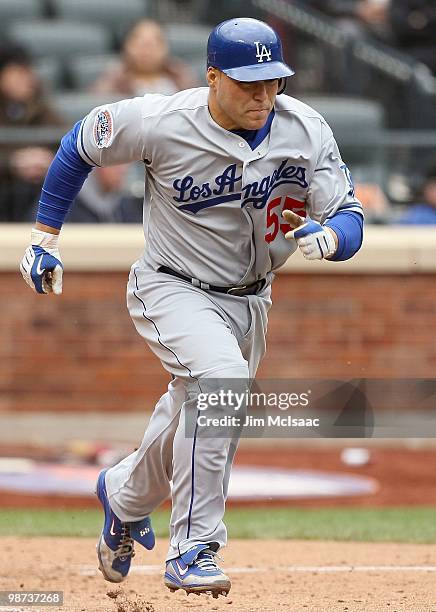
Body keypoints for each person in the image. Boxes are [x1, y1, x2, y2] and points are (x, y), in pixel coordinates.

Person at [19, 18, 364, 598]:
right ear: (212, 77)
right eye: (247, 82)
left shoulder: (306, 128)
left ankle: (123, 496)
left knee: (195, 410)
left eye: (272, 81)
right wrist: (44, 238)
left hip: (252, 300)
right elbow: (81, 142)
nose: (263, 95)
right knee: (220, 381)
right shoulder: (161, 120)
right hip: (171, 284)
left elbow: (349, 213)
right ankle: (194, 547)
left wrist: (334, 239)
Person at [0, 43, 63, 221]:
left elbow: (65, 139)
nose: (28, 79)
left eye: (28, 72)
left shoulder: (40, 106)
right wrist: (13, 162)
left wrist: (47, 159)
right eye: (19, 73)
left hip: (35, 192)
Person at [92, 19, 197, 96]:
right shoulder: (114, 79)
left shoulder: (180, 76)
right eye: (140, 44)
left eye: (153, 45)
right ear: (126, 46)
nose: (147, 52)